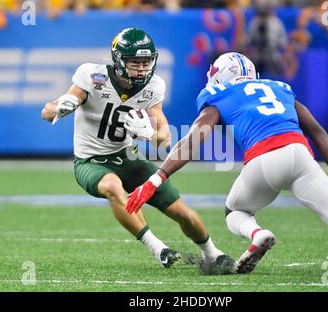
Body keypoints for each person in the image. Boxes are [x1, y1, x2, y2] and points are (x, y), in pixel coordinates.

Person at [126, 52, 328, 276]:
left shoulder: (218, 95)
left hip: (264, 158)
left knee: (235, 211)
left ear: (220, 76)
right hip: (301, 155)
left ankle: (258, 234)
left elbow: (191, 141)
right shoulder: (278, 87)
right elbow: (318, 131)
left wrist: (156, 178)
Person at [41, 28, 234, 274]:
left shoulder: (153, 86)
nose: (142, 69)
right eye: (135, 62)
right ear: (119, 60)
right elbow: (46, 113)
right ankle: (158, 248)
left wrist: (149, 134)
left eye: (146, 62)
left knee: (182, 212)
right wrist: (59, 107)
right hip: (91, 162)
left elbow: (164, 138)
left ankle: (212, 253)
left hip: (129, 158)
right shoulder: (92, 76)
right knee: (111, 185)